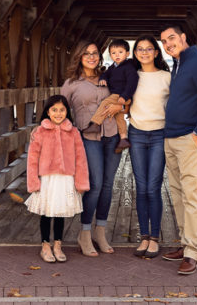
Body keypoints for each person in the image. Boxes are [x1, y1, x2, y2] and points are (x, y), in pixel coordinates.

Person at [159, 24, 197, 275]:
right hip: (171, 137)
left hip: (189, 139)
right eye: (163, 41)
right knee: (177, 193)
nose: (168, 43)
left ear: (183, 37)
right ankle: (186, 244)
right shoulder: (179, 64)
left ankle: (194, 251)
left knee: (191, 194)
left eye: (171, 38)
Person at [61, 38, 124, 257]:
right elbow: (58, 109)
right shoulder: (71, 84)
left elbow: (126, 96)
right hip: (88, 137)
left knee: (108, 185)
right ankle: (85, 233)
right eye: (86, 53)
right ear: (79, 56)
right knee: (95, 184)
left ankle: (100, 232)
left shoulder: (108, 78)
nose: (91, 57)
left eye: (95, 53)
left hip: (113, 136)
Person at [24, 94, 89, 263]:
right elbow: (32, 158)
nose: (58, 113)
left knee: (60, 212)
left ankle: (58, 244)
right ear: (47, 112)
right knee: (47, 212)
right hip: (47, 178)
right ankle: (45, 245)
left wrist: (81, 181)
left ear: (67, 111)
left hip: (66, 178)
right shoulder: (40, 131)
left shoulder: (73, 132)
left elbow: (81, 158)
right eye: (54, 110)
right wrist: (33, 181)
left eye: (62, 110)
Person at [127, 34, 171, 259]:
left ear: (156, 52)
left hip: (159, 135)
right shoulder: (130, 76)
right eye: (140, 49)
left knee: (153, 187)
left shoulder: (167, 77)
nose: (144, 52)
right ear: (135, 54)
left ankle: (154, 238)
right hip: (136, 133)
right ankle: (143, 236)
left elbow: (179, 105)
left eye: (149, 49)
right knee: (140, 187)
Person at [86, 38, 139, 153]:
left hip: (121, 94)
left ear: (127, 54)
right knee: (118, 116)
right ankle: (123, 138)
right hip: (117, 94)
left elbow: (132, 83)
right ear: (110, 55)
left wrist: (124, 97)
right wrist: (103, 79)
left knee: (105, 103)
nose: (117, 55)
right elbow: (106, 74)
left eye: (120, 52)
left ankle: (95, 123)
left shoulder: (129, 67)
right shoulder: (113, 66)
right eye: (113, 53)